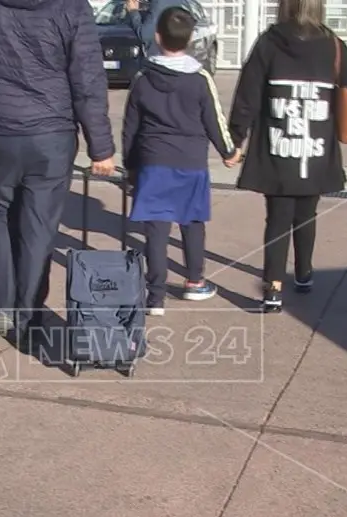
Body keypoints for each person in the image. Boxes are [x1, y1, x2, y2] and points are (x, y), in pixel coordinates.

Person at [0, 0, 115, 341]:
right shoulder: (71, 7)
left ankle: (1, 307)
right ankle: (28, 314)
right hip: (49, 133)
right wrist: (100, 146)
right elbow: (87, 78)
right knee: (38, 227)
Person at [227, 0, 347, 311]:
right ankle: (303, 273)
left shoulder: (269, 42)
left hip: (277, 148)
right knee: (307, 213)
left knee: (277, 218)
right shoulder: (333, 45)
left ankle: (273, 288)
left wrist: (235, 139)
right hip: (315, 149)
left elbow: (246, 97)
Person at [121, 7, 234, 316]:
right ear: (190, 39)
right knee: (192, 223)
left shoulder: (143, 77)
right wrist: (228, 151)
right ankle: (194, 281)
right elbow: (214, 120)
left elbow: (130, 127)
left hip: (153, 161)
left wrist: (130, 166)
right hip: (191, 162)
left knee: (156, 230)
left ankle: (155, 296)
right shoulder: (200, 78)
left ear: (157, 37)